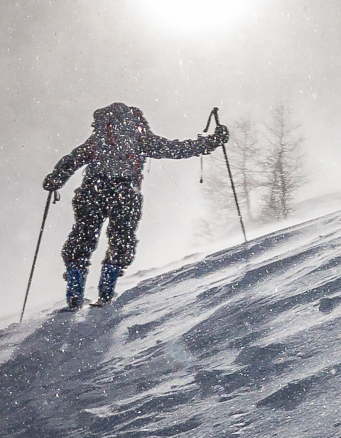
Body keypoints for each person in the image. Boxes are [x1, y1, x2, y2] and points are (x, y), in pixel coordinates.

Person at [43, 102, 228, 308]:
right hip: (125, 194)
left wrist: (55, 179)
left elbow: (72, 159)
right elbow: (175, 149)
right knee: (120, 241)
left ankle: (74, 296)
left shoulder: (97, 140)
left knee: (82, 239)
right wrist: (212, 141)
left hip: (92, 191)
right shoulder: (138, 138)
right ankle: (106, 294)